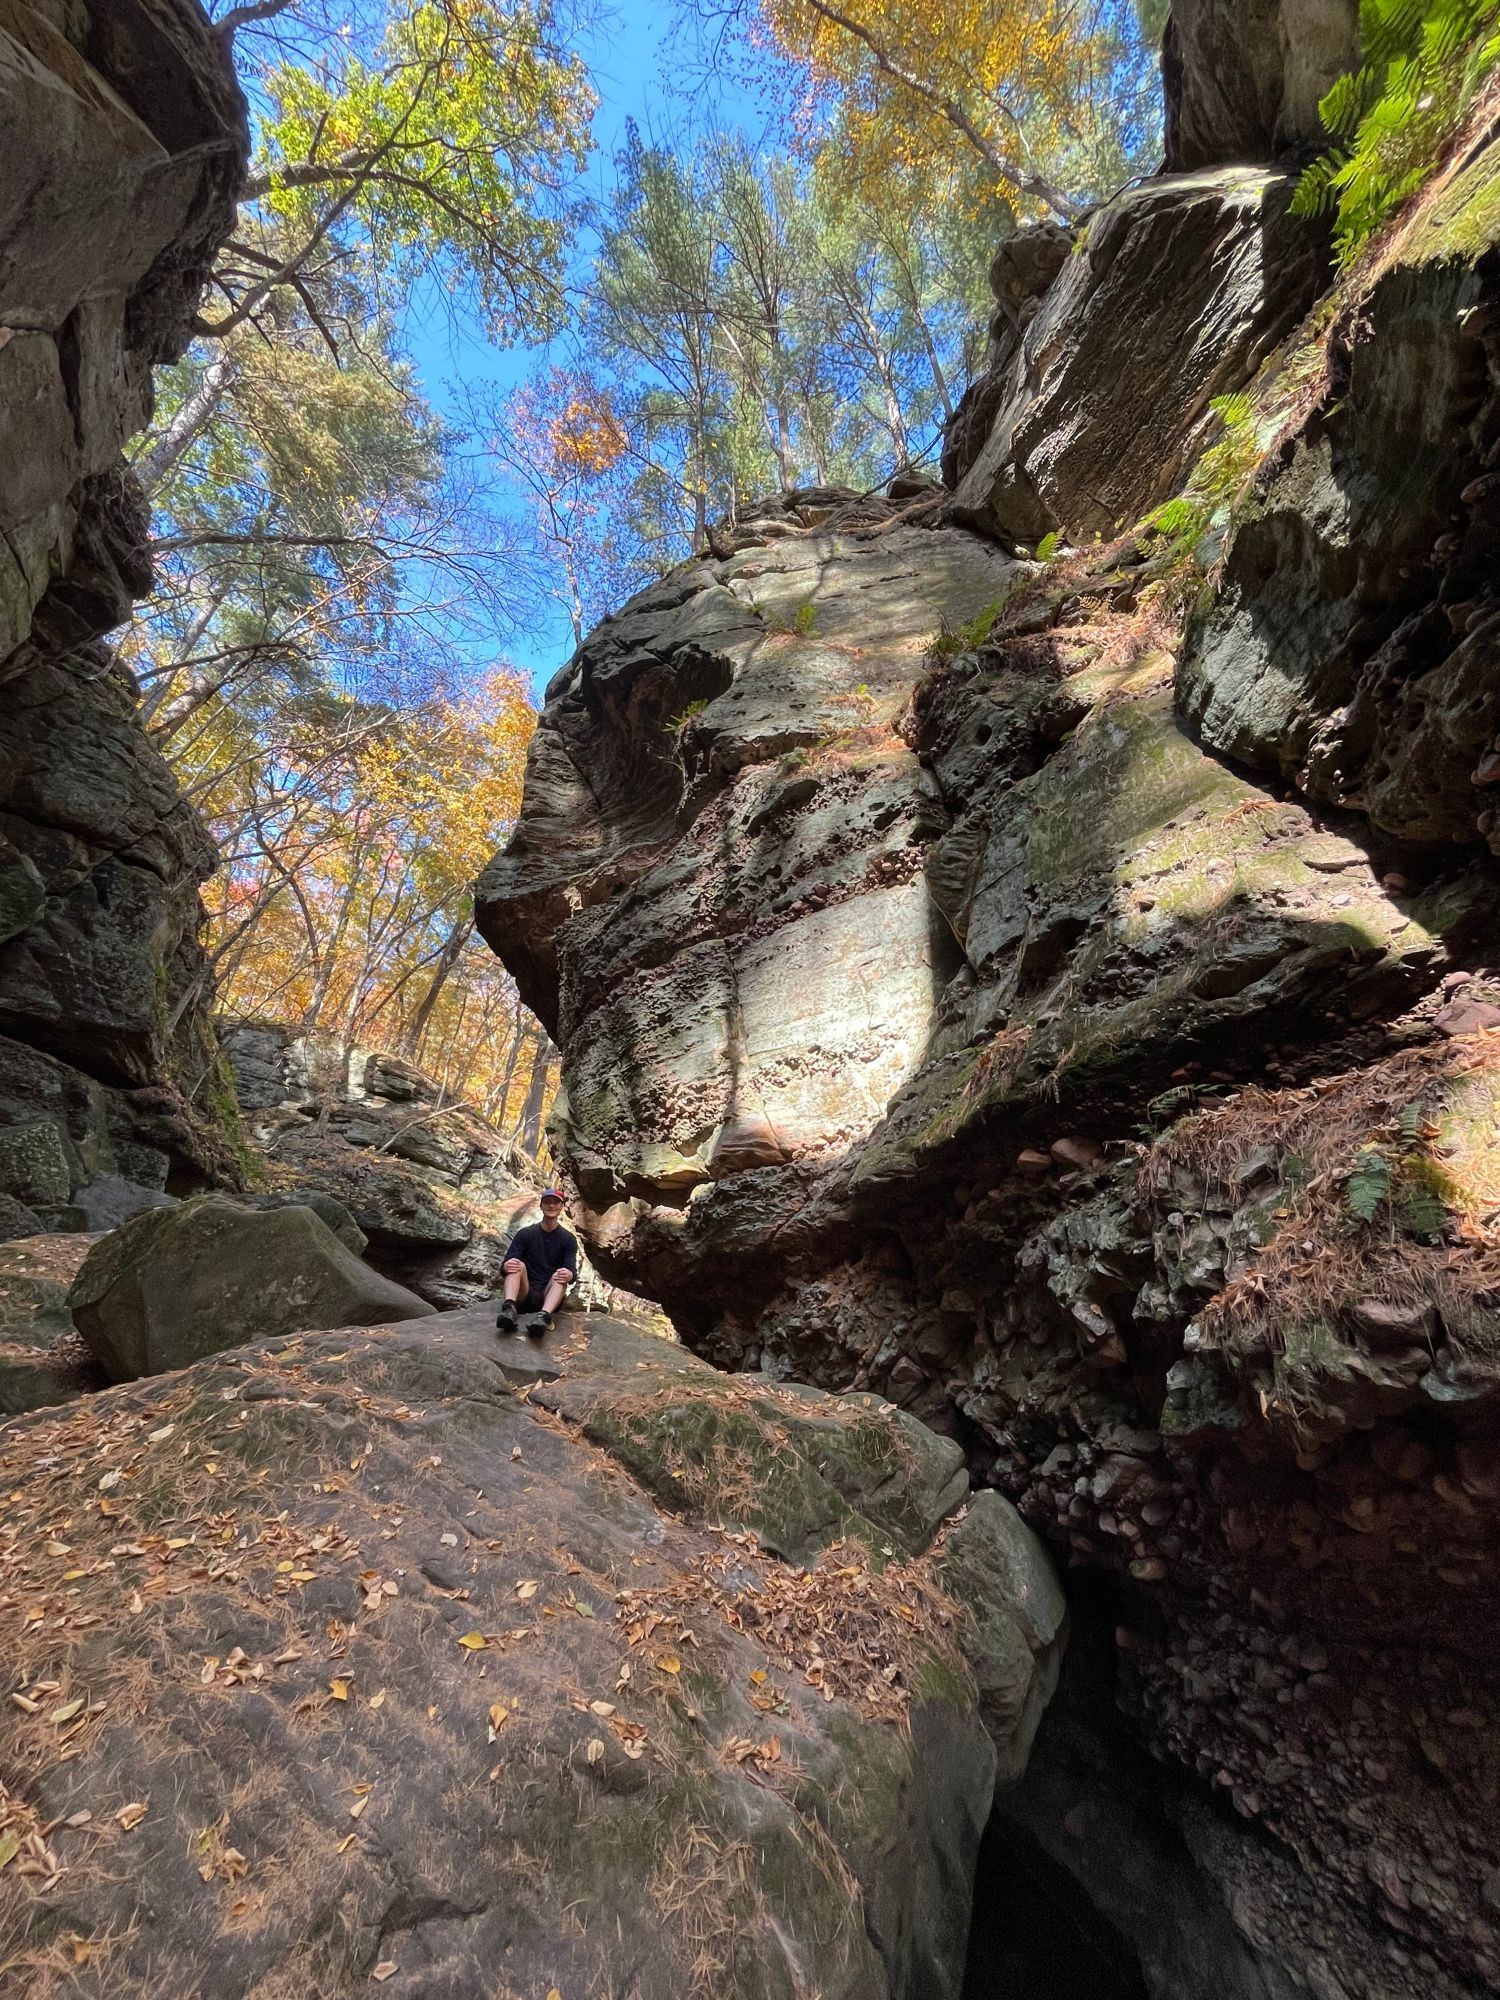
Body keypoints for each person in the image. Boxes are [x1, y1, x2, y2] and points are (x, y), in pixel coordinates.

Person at [496, 1188, 578, 1336]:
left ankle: (543, 1317)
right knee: (516, 1264)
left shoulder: (568, 1239)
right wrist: (507, 1265)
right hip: (524, 1293)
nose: (551, 1206)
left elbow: (572, 1272)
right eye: (547, 1202)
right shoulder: (525, 1234)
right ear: (541, 1206)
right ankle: (509, 1309)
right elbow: (506, 1264)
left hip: (548, 1296)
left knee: (560, 1275)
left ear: (561, 1208)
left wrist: (569, 1274)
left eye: (555, 1203)